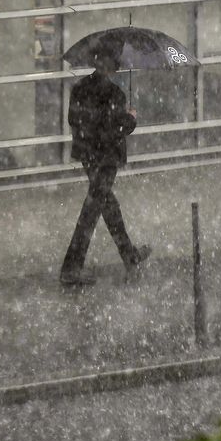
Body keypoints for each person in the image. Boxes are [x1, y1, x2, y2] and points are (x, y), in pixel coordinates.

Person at [59, 43, 151, 286]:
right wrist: (130, 119)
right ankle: (71, 267)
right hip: (107, 158)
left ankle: (129, 256)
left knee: (107, 205)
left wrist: (94, 127)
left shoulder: (79, 89)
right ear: (113, 66)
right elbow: (115, 130)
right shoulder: (115, 95)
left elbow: (73, 119)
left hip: (89, 156)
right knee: (93, 209)